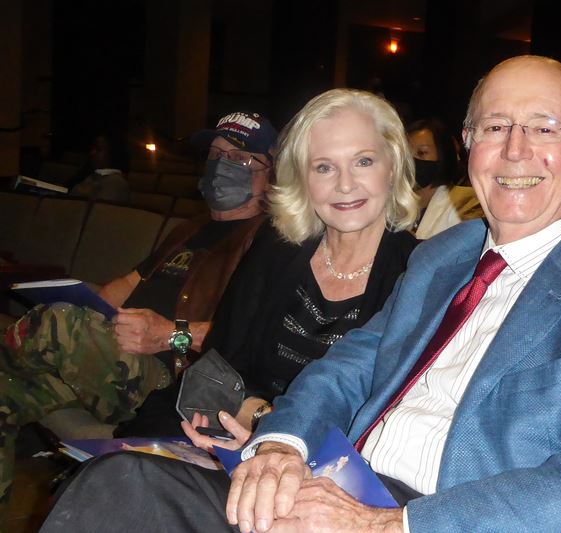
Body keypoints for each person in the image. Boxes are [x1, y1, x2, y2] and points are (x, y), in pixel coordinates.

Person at [42, 56, 561, 533]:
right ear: (468, 144)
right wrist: (282, 445)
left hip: (440, 517)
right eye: (494, 127)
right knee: (121, 485)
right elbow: (348, 366)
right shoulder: (445, 255)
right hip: (337, 487)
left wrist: (393, 524)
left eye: (544, 127)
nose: (514, 150)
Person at [0, 110, 277, 503]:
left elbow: (253, 337)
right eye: (216, 155)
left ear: (272, 174)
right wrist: (83, 309)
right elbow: (126, 285)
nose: (221, 165)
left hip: (168, 381)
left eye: (239, 158)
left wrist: (168, 335)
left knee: (58, 324)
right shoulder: (191, 228)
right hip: (114, 357)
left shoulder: (269, 242)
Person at [113, 89, 419, 439]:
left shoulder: (420, 272)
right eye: (323, 167)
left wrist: (267, 423)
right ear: (302, 179)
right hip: (226, 429)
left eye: (363, 161)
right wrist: (237, 418)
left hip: (325, 455)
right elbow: (219, 363)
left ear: (393, 166)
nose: (345, 184)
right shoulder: (276, 246)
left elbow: (390, 415)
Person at [407, 118, 482, 239]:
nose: (411, 161)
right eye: (406, 154)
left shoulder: (467, 201)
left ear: (442, 155)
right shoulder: (394, 206)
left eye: (422, 153)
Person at [68, 132, 131, 203]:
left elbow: (98, 208)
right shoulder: (91, 176)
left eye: (98, 149)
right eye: (92, 149)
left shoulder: (117, 183)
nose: (92, 153)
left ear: (112, 154)